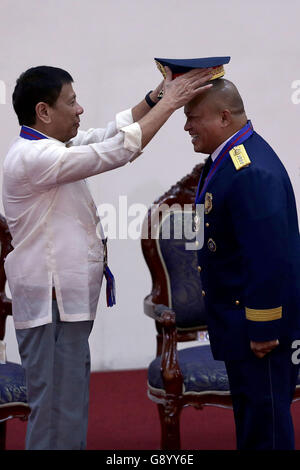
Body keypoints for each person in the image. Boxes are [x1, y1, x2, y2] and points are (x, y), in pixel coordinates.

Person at [2, 64, 213, 450]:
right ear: (43, 111)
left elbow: (108, 135)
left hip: (63, 301)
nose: (80, 109)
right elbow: (114, 151)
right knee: (53, 412)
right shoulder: (32, 157)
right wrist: (171, 104)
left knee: (68, 406)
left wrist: (156, 97)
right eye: (72, 101)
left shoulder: (51, 148)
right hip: (51, 301)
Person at [183, 78, 300, 450]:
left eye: (193, 118)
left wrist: (263, 327)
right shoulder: (231, 158)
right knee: (252, 420)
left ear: (223, 116)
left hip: (260, 332)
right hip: (240, 324)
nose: (186, 127)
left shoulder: (250, 171)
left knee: (265, 426)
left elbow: (268, 256)